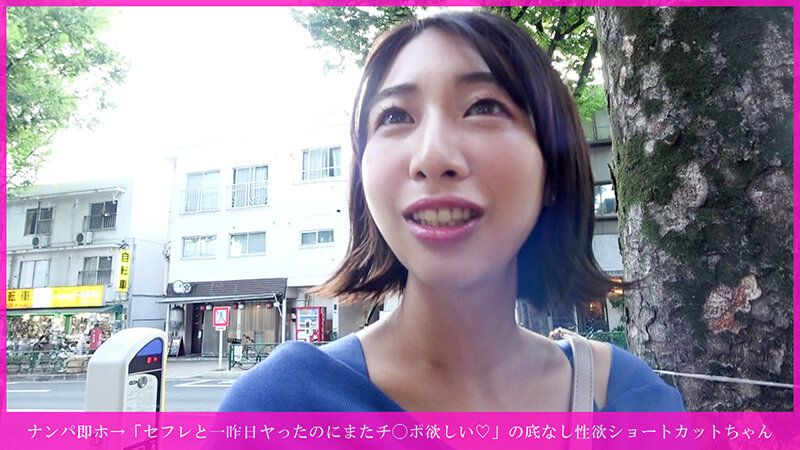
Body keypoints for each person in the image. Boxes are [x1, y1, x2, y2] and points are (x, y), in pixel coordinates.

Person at [219, 11, 684, 412]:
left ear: (550, 168)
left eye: (484, 107)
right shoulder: (280, 406)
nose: (432, 157)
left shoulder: (632, 398)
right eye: (395, 116)